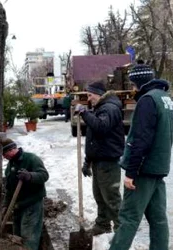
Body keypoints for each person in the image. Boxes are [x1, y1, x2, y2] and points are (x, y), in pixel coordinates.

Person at [109, 63, 173, 250]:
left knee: (128, 218)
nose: (131, 87)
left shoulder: (147, 100)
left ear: (136, 82)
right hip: (158, 169)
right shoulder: (164, 98)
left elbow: (140, 140)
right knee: (158, 220)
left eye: (132, 83)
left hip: (142, 171)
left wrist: (131, 172)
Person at [75, 81, 124, 235]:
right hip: (99, 161)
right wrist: (87, 162)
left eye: (90, 95)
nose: (89, 99)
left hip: (108, 162)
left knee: (111, 198)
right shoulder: (101, 108)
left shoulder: (110, 108)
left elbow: (101, 127)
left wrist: (84, 113)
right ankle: (102, 224)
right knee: (100, 197)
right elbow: (95, 140)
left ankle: (121, 230)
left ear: (99, 93)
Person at [1, 138, 49, 250]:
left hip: (32, 204)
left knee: (29, 236)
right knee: (17, 236)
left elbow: (44, 175)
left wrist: (30, 176)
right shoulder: (10, 166)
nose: (3, 157)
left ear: (12, 149)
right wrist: (6, 205)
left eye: (4, 153)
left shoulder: (31, 159)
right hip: (18, 206)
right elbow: (9, 189)